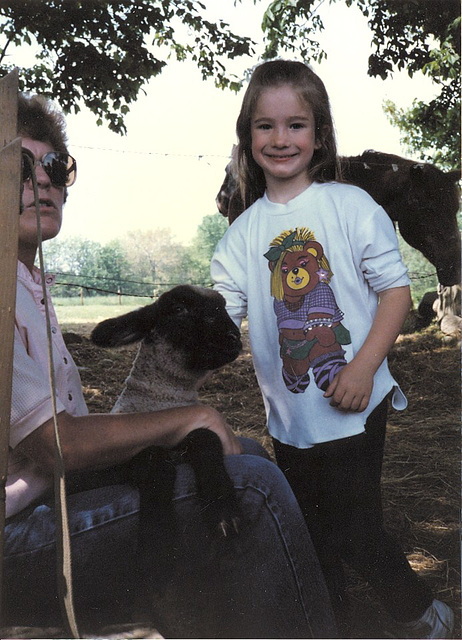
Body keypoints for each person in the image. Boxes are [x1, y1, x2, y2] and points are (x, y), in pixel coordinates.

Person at [2, 92, 338, 639]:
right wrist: (190, 417)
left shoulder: (27, 283)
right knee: (254, 486)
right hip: (20, 532)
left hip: (54, 496)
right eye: (20, 166)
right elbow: (56, 445)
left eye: (56, 167)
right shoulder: (1, 294)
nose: (44, 181)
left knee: (245, 457)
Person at [211, 59, 454, 639]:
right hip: (291, 417)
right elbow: (222, 317)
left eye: (296, 124)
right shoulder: (243, 235)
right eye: (264, 126)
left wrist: (365, 367)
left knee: (354, 524)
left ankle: (421, 613)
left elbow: (396, 292)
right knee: (310, 529)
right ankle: (330, 622)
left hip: (355, 402)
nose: (280, 139)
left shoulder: (349, 206)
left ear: (319, 135)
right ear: (247, 136)